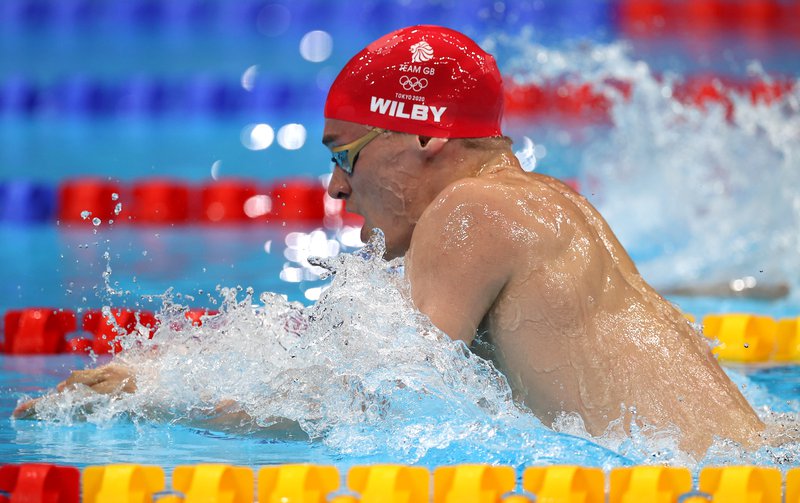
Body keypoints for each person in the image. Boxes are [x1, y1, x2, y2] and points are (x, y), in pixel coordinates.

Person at [15, 25, 764, 456]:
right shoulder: (549, 205)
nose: (336, 189)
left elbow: (363, 401)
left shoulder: (470, 210)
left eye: (345, 154)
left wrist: (164, 393)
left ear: (428, 133)